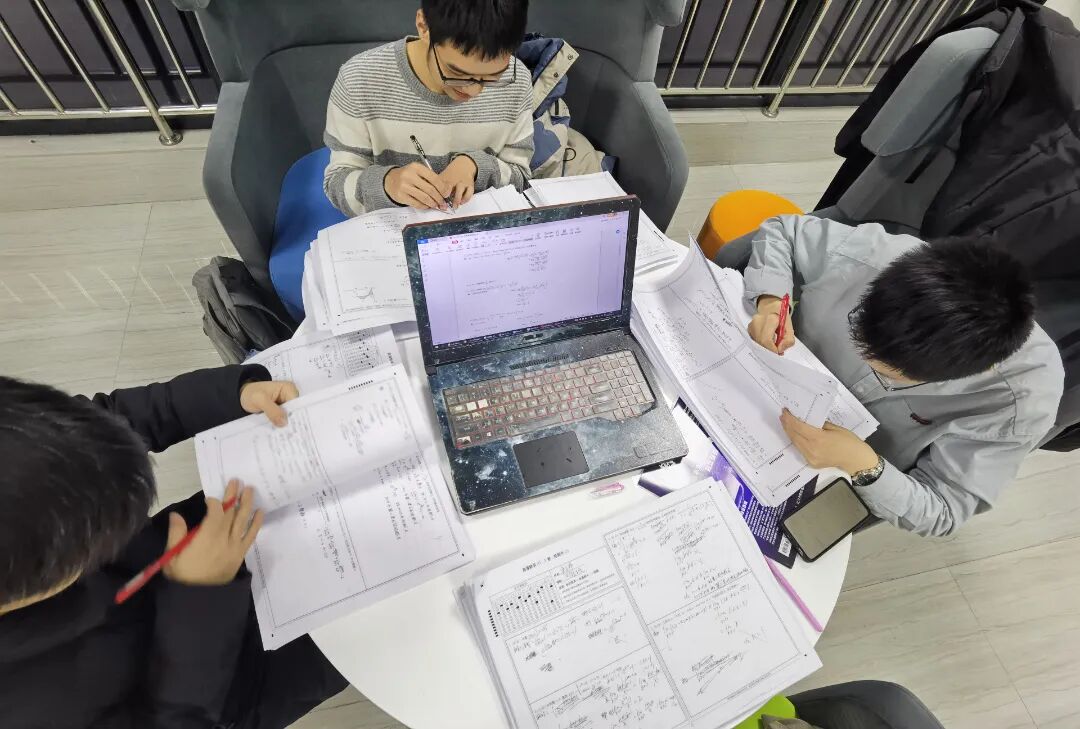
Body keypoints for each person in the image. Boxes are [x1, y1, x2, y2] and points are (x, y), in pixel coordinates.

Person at [0, 365, 349, 728]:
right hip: (237, 680)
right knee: (367, 632)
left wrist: (231, 396)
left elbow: (103, 424)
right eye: (92, 546)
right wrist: (199, 598)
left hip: (212, 537)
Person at [734, 215, 1064, 537]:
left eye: (889, 374)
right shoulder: (877, 255)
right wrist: (772, 302)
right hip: (753, 386)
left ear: (977, 371)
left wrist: (863, 465)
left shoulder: (1021, 401)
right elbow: (783, 231)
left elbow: (944, 510)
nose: (867, 362)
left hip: (824, 471)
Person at [323, 0, 533, 215]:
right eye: (457, 73)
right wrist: (388, 184)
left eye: (493, 76)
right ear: (424, 27)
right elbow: (336, 183)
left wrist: (477, 167)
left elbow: (522, 178)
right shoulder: (359, 78)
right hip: (391, 229)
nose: (474, 91)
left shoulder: (517, 81)